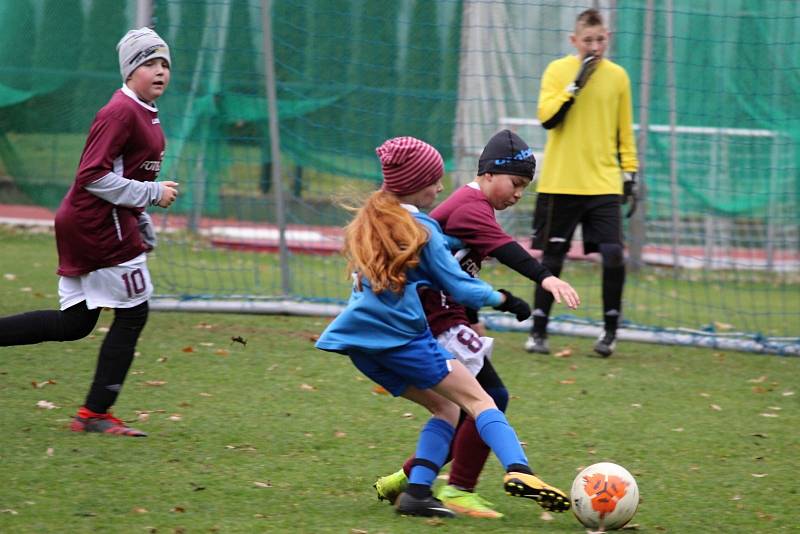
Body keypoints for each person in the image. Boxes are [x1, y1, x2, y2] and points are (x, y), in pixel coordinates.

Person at [316, 136, 572, 518]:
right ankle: (519, 471)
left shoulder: (375, 220)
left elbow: (437, 242)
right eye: (435, 181)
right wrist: (506, 300)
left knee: (445, 410)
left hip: (360, 345)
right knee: (482, 399)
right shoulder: (424, 228)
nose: (440, 188)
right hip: (405, 340)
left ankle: (417, 492)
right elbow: (459, 285)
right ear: (418, 185)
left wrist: (452, 241)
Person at [0, 28, 178, 436]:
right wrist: (152, 194)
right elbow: (93, 175)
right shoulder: (120, 111)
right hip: (99, 225)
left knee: (76, 323)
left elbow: (123, 172)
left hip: (92, 221)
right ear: (130, 70)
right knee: (134, 314)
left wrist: (142, 217)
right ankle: (95, 414)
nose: (160, 71)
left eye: (164, 63)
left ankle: (94, 413)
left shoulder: (143, 110)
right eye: (149, 62)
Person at [526, 8, 639, 357]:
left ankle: (609, 332)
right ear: (574, 41)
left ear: (608, 39)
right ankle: (539, 330)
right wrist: (575, 85)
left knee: (613, 254)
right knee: (553, 256)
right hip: (561, 182)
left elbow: (624, 130)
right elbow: (547, 119)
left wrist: (630, 173)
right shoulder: (557, 71)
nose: (594, 45)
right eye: (587, 40)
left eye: (600, 39)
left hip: (603, 182)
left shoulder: (618, 77)